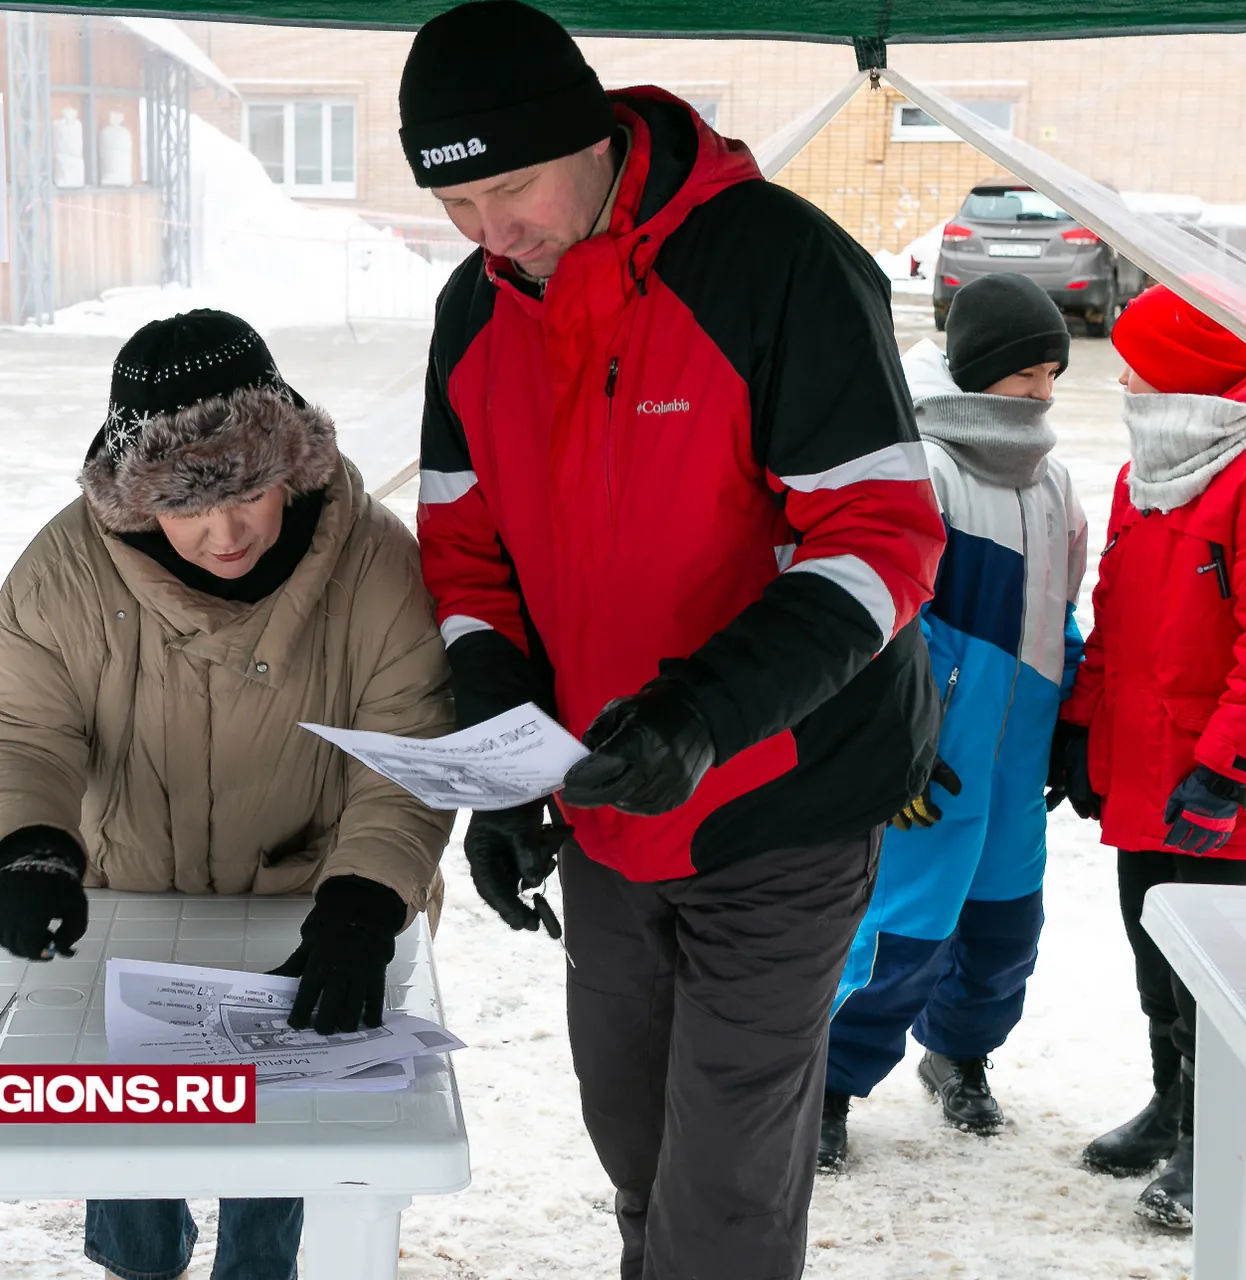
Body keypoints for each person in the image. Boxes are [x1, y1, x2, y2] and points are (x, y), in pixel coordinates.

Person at [402, 4, 947, 1276]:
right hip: (607, 805)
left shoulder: (776, 265)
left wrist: (703, 714)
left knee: (725, 1193)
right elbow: (467, 559)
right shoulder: (475, 317)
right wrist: (505, 756)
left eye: (515, 187)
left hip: (782, 792)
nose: (496, 234)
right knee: (635, 1138)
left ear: (588, 137)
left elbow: (880, 540)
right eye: (458, 206)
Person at [0, 309, 455, 1280]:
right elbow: (22, 728)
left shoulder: (380, 562)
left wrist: (364, 898)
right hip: (135, 912)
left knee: (278, 1174)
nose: (225, 531)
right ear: (138, 500)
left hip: (314, 918)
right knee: (130, 1157)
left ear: (291, 466)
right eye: (189, 505)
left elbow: (408, 742)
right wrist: (26, 848)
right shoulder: (60, 569)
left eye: (249, 492)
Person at [1058, 284, 1246, 1231]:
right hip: (1142, 763)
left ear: (1189, 372)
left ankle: (1217, 1140)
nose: (1124, 376)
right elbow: (1116, 616)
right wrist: (1080, 726)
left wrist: (1226, 772)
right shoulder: (1151, 474)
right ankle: (1170, 1106)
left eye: (1142, 361)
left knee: (1214, 973)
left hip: (1224, 784)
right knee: (1150, 942)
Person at [819, 274, 1087, 1172]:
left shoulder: (1054, 484)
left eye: (1053, 372)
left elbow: (1061, 612)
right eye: (1027, 374)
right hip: (934, 763)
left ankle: (961, 1053)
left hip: (1016, 757)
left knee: (1005, 931)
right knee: (899, 936)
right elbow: (890, 625)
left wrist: (1074, 714)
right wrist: (896, 741)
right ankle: (826, 1084)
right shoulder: (923, 467)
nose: (1045, 390)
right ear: (978, 370)